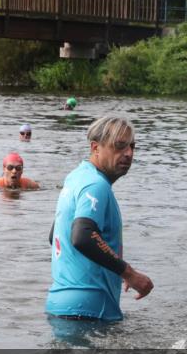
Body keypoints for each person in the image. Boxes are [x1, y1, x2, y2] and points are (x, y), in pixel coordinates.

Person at [46, 115, 153, 321]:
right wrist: (129, 273)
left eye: (132, 147)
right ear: (96, 148)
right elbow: (83, 236)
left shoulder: (76, 177)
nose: (129, 153)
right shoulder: (96, 185)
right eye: (120, 146)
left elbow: (56, 234)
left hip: (61, 306)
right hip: (89, 311)